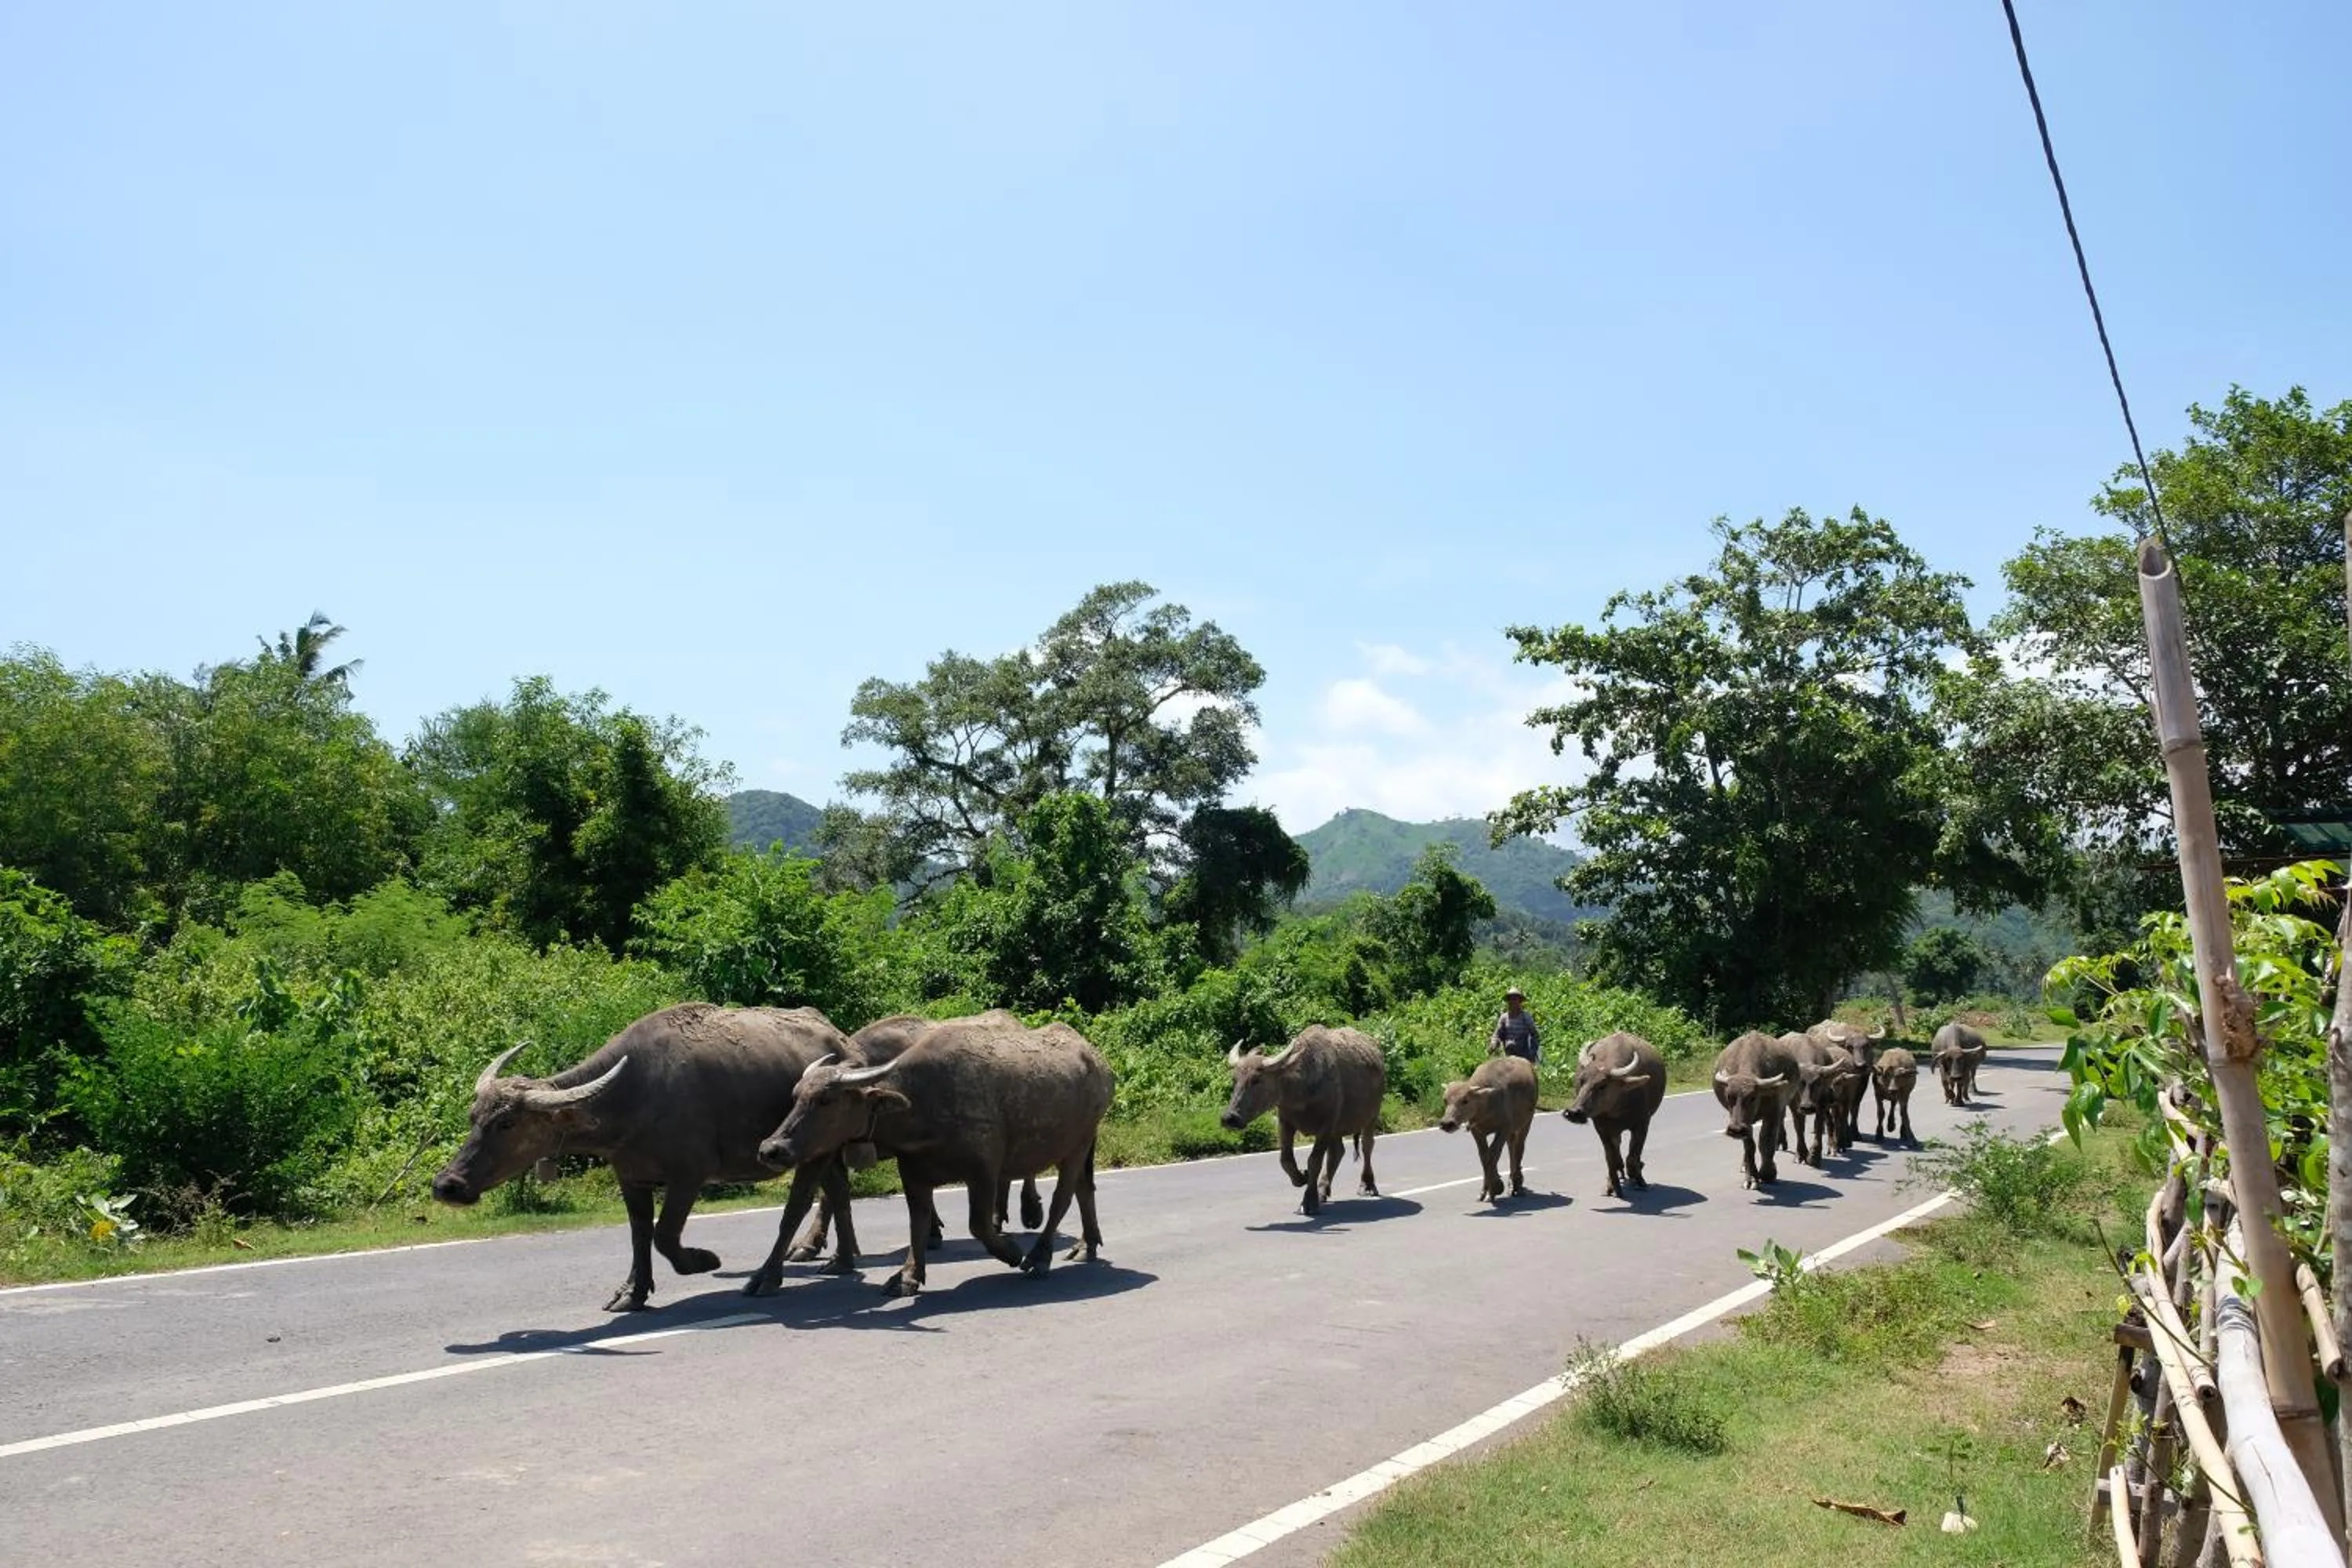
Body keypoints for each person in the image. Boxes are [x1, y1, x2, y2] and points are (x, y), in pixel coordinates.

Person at [1489, 986, 1541, 1065]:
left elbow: (1535, 1036)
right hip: (1508, 1053)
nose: (1512, 1002)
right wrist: (1494, 1043)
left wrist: (1532, 1053)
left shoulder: (1526, 1017)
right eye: (1510, 999)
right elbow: (1497, 1034)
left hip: (1523, 1055)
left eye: (1515, 999)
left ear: (1519, 1001)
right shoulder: (1504, 1018)